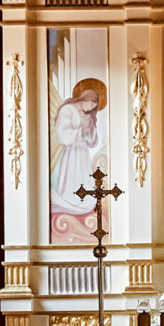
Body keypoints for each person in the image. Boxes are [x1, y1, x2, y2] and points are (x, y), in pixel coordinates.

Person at [49, 77, 106, 239]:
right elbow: (62, 136)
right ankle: (68, 202)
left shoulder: (89, 115)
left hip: (83, 154)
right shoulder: (68, 110)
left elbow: (92, 141)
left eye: (94, 107)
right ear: (84, 99)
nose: (91, 108)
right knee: (71, 183)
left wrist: (89, 128)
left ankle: (83, 205)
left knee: (84, 183)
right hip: (71, 154)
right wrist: (80, 128)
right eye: (90, 104)